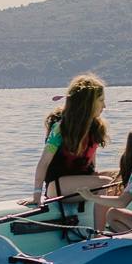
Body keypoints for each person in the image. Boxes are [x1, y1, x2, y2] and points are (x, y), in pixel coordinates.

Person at [33, 74, 111, 203]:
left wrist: (94, 181)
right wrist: (37, 196)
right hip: (57, 186)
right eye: (101, 100)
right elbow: (44, 163)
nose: (104, 106)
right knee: (106, 183)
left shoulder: (96, 128)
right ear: (88, 103)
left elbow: (92, 166)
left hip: (79, 182)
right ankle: (99, 224)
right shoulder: (60, 128)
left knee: (123, 177)